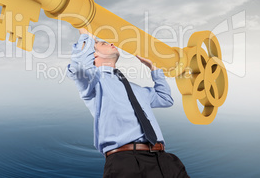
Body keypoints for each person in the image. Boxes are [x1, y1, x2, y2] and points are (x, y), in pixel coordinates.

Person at [67, 28, 189, 178]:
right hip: (126, 162)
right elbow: (78, 67)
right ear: (94, 54)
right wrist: (87, 36)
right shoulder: (94, 84)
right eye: (103, 43)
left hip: (164, 160)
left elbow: (165, 99)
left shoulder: (135, 89)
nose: (111, 42)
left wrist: (154, 69)